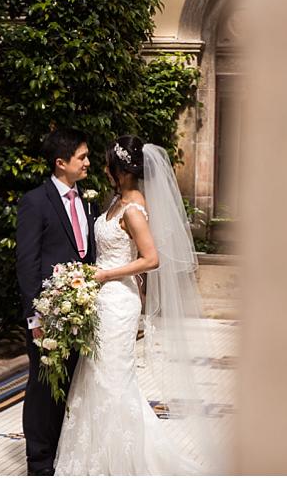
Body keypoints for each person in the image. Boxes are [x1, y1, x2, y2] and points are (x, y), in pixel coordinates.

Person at [53, 136, 222, 475]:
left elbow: (151, 258)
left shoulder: (133, 208)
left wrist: (105, 274)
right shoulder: (118, 200)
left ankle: (124, 460)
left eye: (107, 164)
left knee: (113, 379)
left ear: (121, 170)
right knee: (95, 376)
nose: (103, 169)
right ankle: (95, 458)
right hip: (103, 299)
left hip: (118, 301)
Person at [15, 128, 100, 476]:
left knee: (69, 386)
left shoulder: (89, 201)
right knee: (42, 388)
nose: (88, 162)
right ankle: (39, 463)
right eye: (82, 157)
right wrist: (34, 318)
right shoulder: (35, 202)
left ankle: (63, 453)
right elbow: (27, 264)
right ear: (61, 162)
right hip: (47, 315)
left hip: (80, 311)